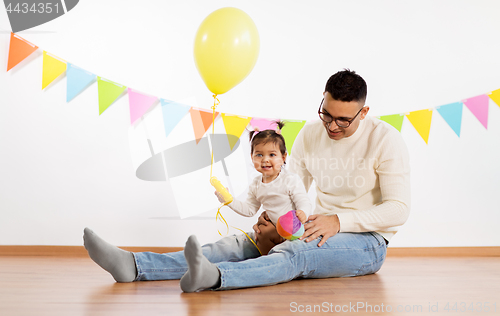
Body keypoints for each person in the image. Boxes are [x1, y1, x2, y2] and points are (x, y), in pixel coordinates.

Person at [83, 69, 410, 292]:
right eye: (327, 113)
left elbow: (399, 209)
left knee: (296, 256)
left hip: (366, 242)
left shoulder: (386, 140)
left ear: (363, 113)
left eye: (343, 120)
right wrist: (276, 223)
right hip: (313, 223)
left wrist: (339, 220)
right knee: (238, 244)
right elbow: (292, 186)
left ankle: (215, 279)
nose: (332, 125)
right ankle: (135, 266)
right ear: (322, 101)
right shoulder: (312, 132)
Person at [216, 121, 311, 255]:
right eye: (259, 155)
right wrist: (229, 200)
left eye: (272, 155)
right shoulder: (256, 184)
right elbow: (249, 209)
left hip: (294, 229)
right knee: (262, 232)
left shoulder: (290, 180)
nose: (265, 159)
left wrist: (302, 212)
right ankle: (267, 259)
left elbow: (303, 201)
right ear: (252, 157)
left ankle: (290, 257)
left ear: (283, 157)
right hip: (274, 230)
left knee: (301, 241)